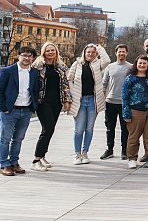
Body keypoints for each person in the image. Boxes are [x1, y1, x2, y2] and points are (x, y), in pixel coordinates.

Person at [31, 42, 72, 171]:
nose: (50, 52)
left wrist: (67, 101)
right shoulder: (37, 66)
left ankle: (42, 155)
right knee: (47, 129)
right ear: (43, 52)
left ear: (56, 52)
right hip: (42, 102)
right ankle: (36, 159)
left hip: (56, 102)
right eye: (47, 50)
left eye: (52, 50)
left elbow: (65, 85)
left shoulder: (60, 67)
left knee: (50, 129)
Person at [68, 43, 110, 165]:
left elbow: (107, 60)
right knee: (79, 129)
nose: (90, 54)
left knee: (89, 128)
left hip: (93, 101)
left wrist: (99, 47)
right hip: (79, 101)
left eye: (93, 52)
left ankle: (85, 153)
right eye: (88, 52)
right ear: (84, 53)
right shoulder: (77, 64)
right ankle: (77, 154)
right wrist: (72, 94)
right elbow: (69, 79)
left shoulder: (98, 65)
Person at [0, 46, 38, 176]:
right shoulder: (7, 71)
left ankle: (14, 162)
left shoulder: (34, 72)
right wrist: (3, 108)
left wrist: (34, 106)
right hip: (9, 111)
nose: (26, 58)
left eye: (29, 56)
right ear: (19, 56)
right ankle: (4, 164)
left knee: (19, 139)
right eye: (24, 55)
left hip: (26, 110)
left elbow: (35, 91)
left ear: (33, 58)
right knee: (5, 138)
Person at [100, 44, 131, 161]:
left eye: (123, 51)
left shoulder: (131, 67)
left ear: (126, 53)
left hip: (125, 103)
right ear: (116, 53)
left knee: (125, 128)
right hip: (110, 101)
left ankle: (124, 150)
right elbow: (104, 84)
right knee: (109, 127)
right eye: (119, 51)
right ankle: (109, 150)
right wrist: (103, 99)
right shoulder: (110, 67)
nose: (121, 53)